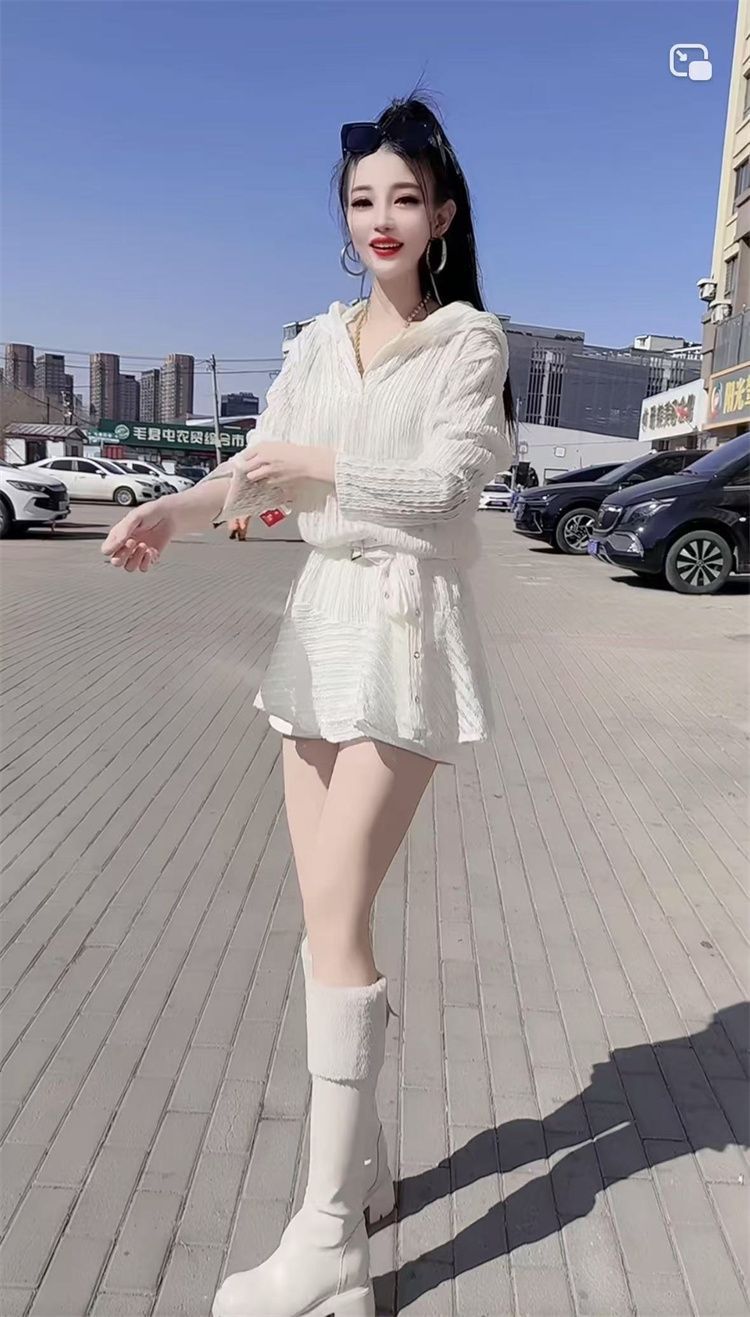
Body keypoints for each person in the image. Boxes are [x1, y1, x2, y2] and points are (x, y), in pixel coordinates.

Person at [101, 93, 513, 1317]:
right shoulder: (316, 341)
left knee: (334, 922)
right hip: (319, 628)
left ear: (443, 216)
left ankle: (329, 1240)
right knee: (327, 920)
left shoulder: (469, 343)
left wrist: (317, 466)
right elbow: (253, 468)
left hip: (405, 630)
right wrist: (173, 513)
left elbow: (447, 488)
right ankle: (367, 1168)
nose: (381, 218)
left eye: (405, 198)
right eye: (361, 199)